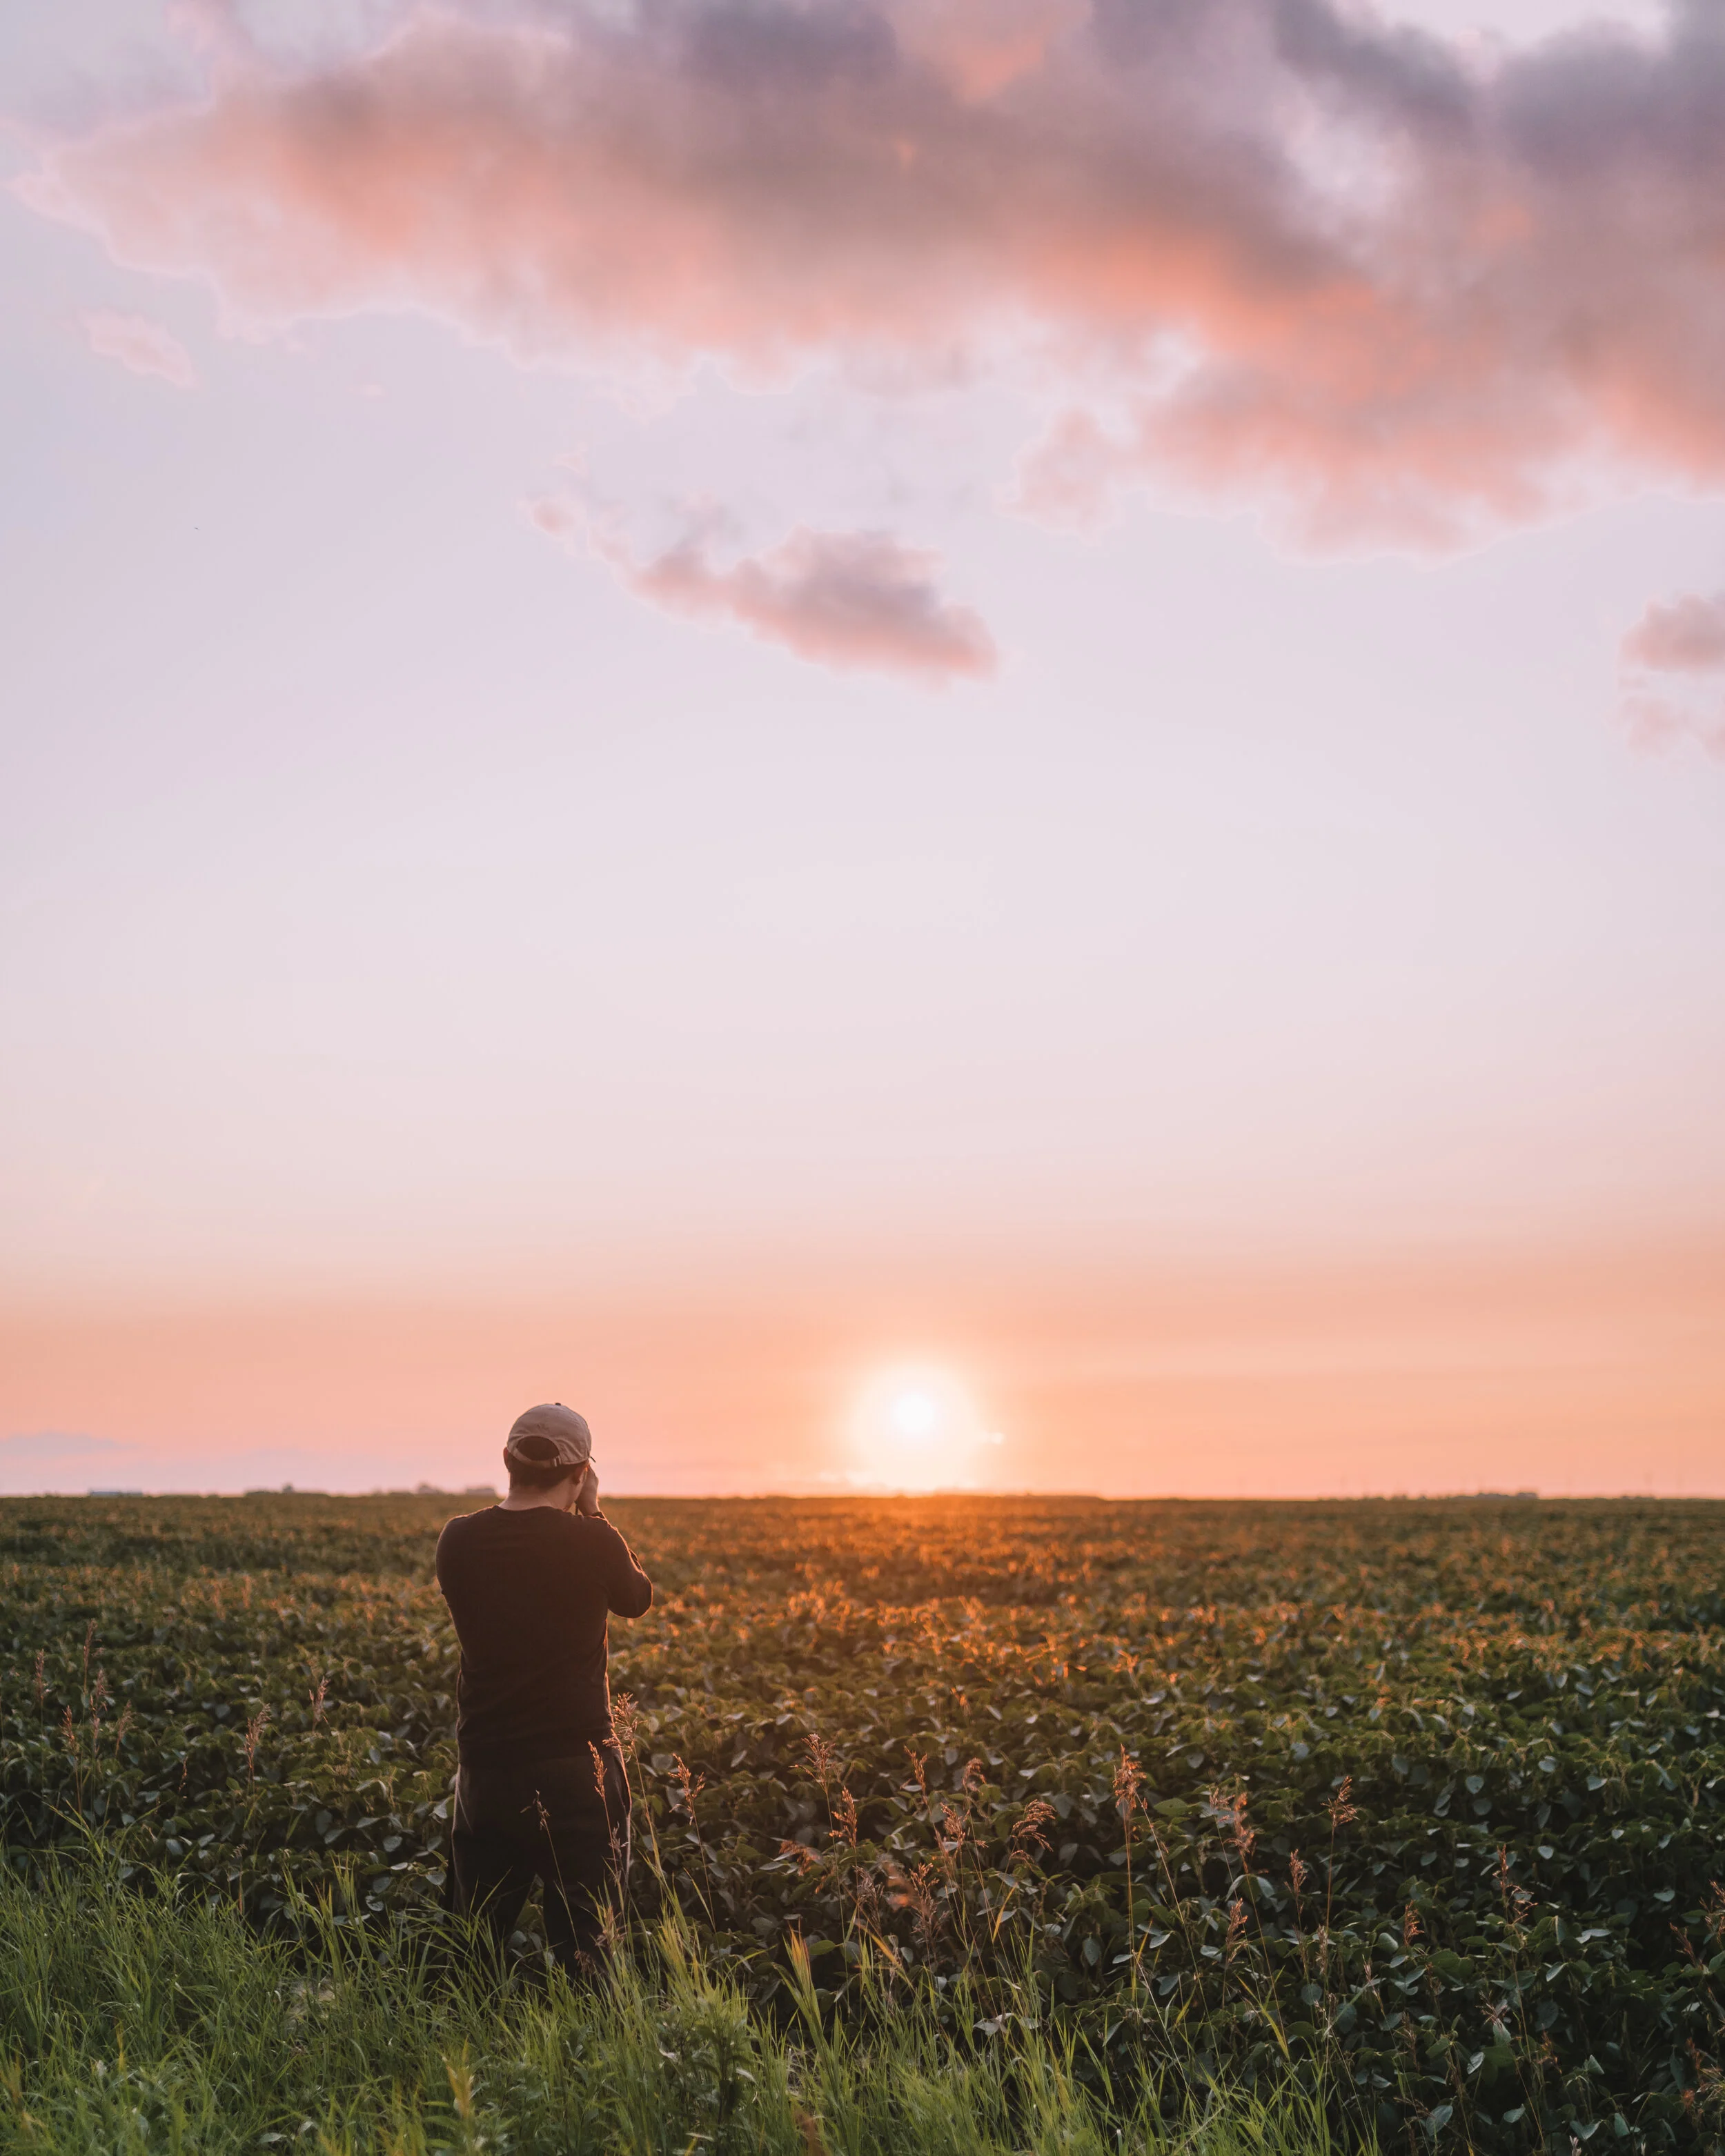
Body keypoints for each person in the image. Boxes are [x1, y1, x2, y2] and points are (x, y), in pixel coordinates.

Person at [435, 1402, 653, 1975]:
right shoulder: (591, 1542)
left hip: (487, 1770)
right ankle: (588, 2059)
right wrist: (597, 1514)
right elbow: (636, 1598)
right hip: (577, 1771)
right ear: (580, 1474)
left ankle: (461, 2056)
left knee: (471, 1949)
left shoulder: (457, 1540)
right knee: (591, 1955)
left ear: (506, 1459)